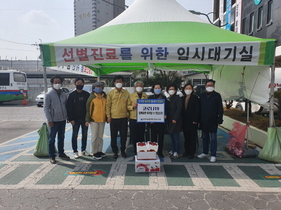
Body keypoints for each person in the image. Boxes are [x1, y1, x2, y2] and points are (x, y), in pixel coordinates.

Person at [44, 76, 69, 164]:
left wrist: (67, 117)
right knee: (52, 139)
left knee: (61, 137)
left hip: (62, 120)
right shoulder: (48, 94)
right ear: (52, 84)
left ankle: (61, 153)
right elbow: (46, 108)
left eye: (59, 82)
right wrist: (49, 120)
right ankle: (52, 156)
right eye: (55, 82)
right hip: (53, 121)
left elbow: (66, 106)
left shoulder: (63, 94)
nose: (57, 84)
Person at [198, 79, 223, 163]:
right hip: (203, 120)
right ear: (205, 86)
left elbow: (220, 108)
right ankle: (205, 152)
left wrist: (220, 119)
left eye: (211, 85)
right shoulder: (202, 95)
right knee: (205, 137)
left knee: (213, 138)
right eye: (208, 85)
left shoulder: (217, 96)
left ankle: (213, 155)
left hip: (213, 120)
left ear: (214, 86)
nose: (209, 87)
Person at [106, 75, 130, 158]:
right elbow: (108, 105)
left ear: (123, 83)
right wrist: (108, 116)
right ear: (114, 83)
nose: (118, 83)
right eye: (117, 81)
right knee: (113, 136)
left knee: (124, 136)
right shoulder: (110, 93)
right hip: (113, 118)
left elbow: (128, 105)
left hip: (123, 118)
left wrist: (128, 115)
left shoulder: (126, 93)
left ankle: (123, 151)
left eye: (120, 81)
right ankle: (115, 151)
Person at [66, 77, 90, 159]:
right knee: (74, 135)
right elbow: (69, 108)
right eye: (78, 83)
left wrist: (88, 119)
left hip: (84, 119)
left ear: (83, 84)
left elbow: (89, 108)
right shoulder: (71, 95)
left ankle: (83, 150)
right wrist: (71, 119)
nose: (79, 85)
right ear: (75, 84)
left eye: (81, 83)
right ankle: (75, 151)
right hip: (75, 120)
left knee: (85, 135)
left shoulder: (87, 95)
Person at [85, 82, 107, 160]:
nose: (98, 88)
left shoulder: (105, 97)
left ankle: (99, 151)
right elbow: (88, 109)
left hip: (102, 120)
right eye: (96, 87)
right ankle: (93, 152)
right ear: (94, 88)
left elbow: (107, 108)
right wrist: (87, 120)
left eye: (100, 87)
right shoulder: (92, 98)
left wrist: (107, 118)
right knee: (94, 136)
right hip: (94, 120)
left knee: (100, 137)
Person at [128, 81, 148, 155]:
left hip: (142, 119)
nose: (139, 87)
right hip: (133, 118)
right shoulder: (131, 96)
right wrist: (133, 106)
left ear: (143, 87)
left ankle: (141, 149)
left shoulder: (146, 96)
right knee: (134, 135)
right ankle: (135, 149)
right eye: (137, 86)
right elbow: (127, 106)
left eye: (140, 86)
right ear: (135, 87)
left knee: (141, 135)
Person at [181, 84, 200, 159]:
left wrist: (196, 120)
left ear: (192, 90)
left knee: (192, 137)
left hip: (193, 121)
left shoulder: (195, 98)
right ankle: (186, 151)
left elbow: (197, 110)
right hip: (185, 121)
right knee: (186, 137)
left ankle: (192, 153)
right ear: (184, 89)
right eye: (186, 88)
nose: (188, 89)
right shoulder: (182, 98)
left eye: (189, 88)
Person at [148, 83, 167, 158]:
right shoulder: (150, 97)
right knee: (153, 137)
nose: (157, 89)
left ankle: (160, 151)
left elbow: (166, 108)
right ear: (153, 89)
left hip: (161, 121)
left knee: (161, 137)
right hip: (152, 122)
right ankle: (153, 151)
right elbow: (147, 109)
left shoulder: (164, 98)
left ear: (161, 89)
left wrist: (166, 115)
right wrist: (149, 119)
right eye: (155, 88)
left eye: (158, 88)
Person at [166, 84, 182, 159]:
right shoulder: (169, 98)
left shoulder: (178, 98)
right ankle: (173, 150)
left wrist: (175, 118)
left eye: (173, 89)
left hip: (176, 121)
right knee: (172, 136)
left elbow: (179, 109)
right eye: (170, 89)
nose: (171, 90)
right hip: (169, 120)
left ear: (175, 90)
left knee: (176, 137)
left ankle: (177, 152)